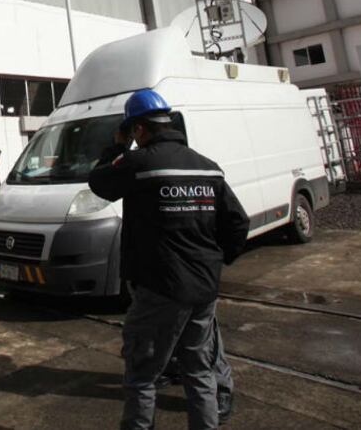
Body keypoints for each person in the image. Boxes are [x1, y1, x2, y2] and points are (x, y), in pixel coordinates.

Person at [88, 88, 249, 430]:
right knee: (199, 371)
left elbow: (99, 182)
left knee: (142, 375)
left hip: (159, 288)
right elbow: (238, 223)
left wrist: (117, 146)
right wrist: (215, 261)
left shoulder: (139, 164)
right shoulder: (209, 168)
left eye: (132, 132)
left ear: (139, 130)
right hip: (203, 290)